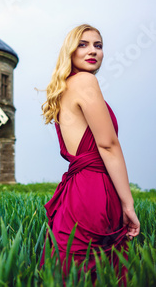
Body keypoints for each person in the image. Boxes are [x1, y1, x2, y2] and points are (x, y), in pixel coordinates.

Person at [39, 24, 140, 285]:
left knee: (72, 274)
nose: (92, 50)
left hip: (75, 193)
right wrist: (128, 204)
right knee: (102, 274)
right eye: (83, 44)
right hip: (95, 190)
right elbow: (108, 146)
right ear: (69, 51)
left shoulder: (63, 89)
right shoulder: (85, 81)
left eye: (98, 45)